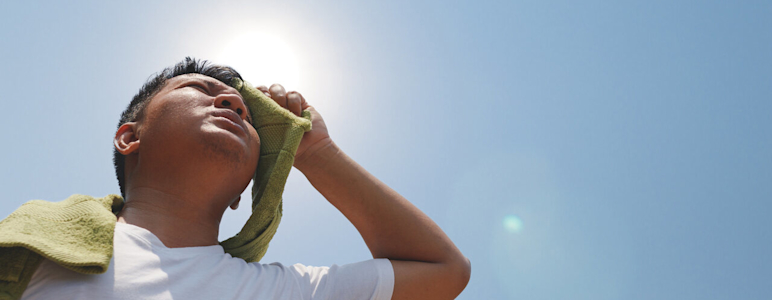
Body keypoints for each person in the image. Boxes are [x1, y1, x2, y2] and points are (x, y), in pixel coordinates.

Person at [20, 58, 470, 300]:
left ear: (242, 194)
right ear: (129, 138)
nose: (234, 105)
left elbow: (443, 272)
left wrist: (317, 153)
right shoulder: (33, 249)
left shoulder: (277, 290)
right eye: (200, 90)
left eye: (246, 113)